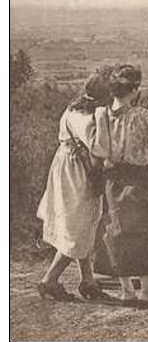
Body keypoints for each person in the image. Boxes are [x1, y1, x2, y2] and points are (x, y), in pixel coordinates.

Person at [91, 64, 148, 303]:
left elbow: (99, 148)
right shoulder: (143, 115)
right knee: (145, 230)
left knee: (116, 230)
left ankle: (127, 291)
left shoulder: (101, 114)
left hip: (113, 176)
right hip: (142, 176)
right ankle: (147, 292)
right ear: (135, 89)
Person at [36, 73, 112, 301]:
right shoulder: (89, 118)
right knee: (79, 227)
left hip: (66, 167)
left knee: (83, 223)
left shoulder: (73, 108)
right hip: (79, 173)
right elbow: (99, 150)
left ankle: (87, 280)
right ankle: (49, 280)